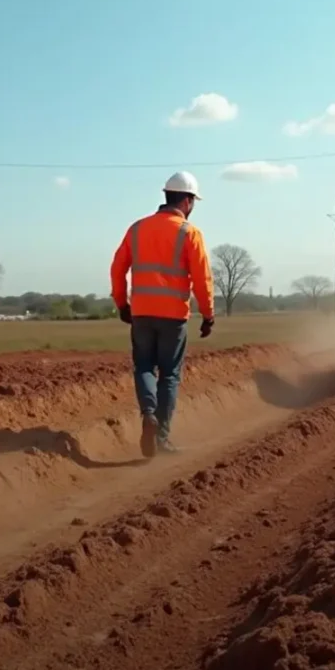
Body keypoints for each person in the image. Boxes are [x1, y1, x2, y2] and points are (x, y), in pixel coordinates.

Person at [110, 171, 216, 457]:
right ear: (187, 200)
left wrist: (122, 303)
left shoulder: (137, 229)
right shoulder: (190, 233)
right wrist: (208, 315)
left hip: (142, 313)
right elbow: (202, 278)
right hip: (174, 316)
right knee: (169, 375)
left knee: (144, 366)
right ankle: (162, 438)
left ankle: (148, 413)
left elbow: (117, 268)